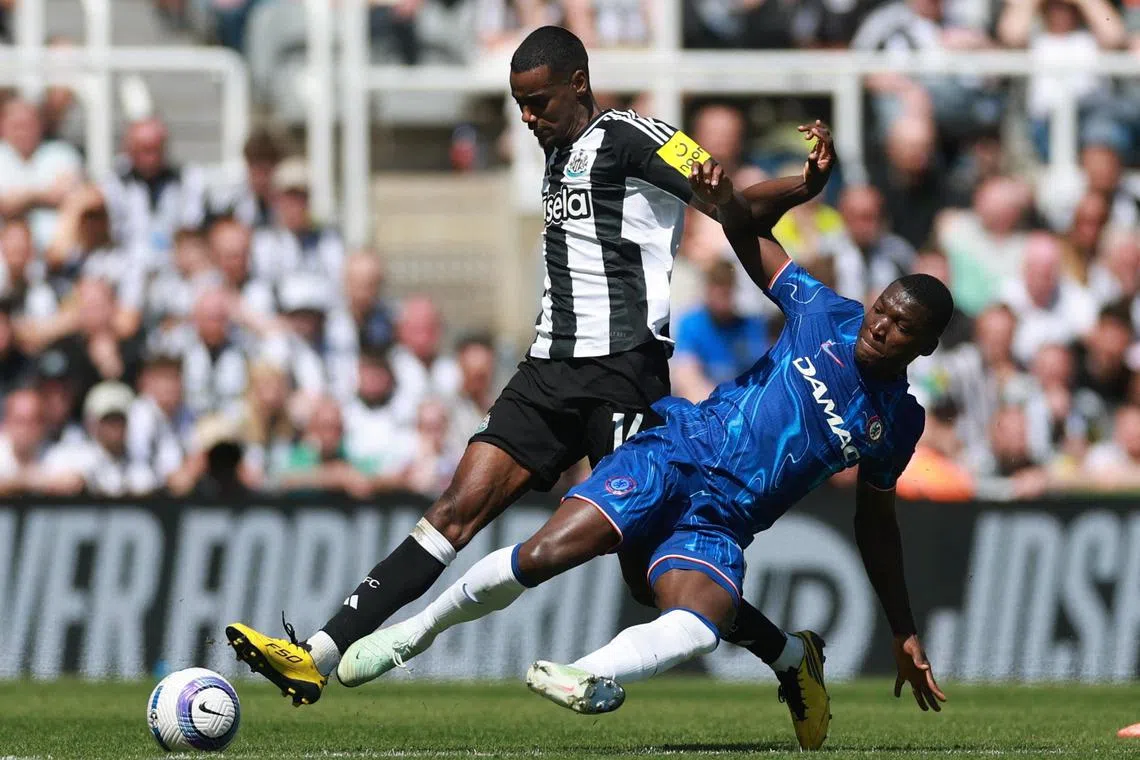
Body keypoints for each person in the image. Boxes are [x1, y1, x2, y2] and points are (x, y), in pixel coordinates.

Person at [225, 25, 832, 709]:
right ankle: (316, 654)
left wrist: (802, 185)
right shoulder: (556, 147)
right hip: (547, 370)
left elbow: (730, 203)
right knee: (454, 510)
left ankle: (789, 655)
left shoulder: (637, 136)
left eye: (538, 102)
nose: (527, 117)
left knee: (649, 570)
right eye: (518, 104)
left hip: (624, 373)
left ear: (579, 83)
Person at [334, 146, 951, 753]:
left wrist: (903, 629)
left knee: (701, 623)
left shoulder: (897, 422)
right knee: (546, 552)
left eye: (901, 326)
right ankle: (413, 634)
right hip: (678, 451)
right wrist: (798, 186)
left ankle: (592, 675)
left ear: (923, 348)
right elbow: (742, 226)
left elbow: (876, 523)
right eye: (882, 309)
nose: (880, 325)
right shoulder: (823, 312)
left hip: (726, 518)